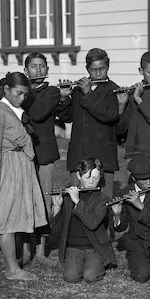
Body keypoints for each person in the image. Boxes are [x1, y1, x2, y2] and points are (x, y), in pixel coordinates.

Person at [0, 72, 47, 281]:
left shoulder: (14, 109)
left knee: (17, 215)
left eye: (25, 95)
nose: (22, 98)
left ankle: (17, 264)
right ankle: (12, 269)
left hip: (21, 167)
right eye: (18, 93)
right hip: (8, 168)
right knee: (7, 219)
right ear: (7, 90)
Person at [20, 52, 72, 266]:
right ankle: (25, 249)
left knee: (44, 200)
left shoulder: (51, 91)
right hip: (21, 153)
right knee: (23, 200)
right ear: (26, 71)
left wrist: (65, 97)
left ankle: (41, 250)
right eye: (33, 66)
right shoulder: (18, 91)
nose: (38, 70)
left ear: (47, 70)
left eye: (42, 66)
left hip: (44, 153)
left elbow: (51, 115)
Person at [58, 48, 119, 200]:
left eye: (102, 69)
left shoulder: (113, 89)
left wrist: (89, 94)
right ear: (87, 69)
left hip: (103, 156)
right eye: (94, 70)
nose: (98, 74)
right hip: (79, 154)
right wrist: (65, 98)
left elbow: (109, 115)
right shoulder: (78, 90)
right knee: (77, 201)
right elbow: (68, 117)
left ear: (108, 67)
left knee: (104, 202)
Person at [51, 157, 117, 283]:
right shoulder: (68, 196)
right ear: (78, 175)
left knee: (90, 277)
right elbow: (55, 231)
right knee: (71, 277)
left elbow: (92, 223)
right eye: (87, 178)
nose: (91, 182)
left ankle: (100, 263)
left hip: (94, 246)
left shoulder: (102, 199)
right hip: (73, 247)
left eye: (96, 178)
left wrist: (77, 201)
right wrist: (56, 207)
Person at [111, 155, 150, 284]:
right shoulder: (125, 193)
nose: (149, 182)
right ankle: (137, 258)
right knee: (141, 276)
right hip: (136, 242)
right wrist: (117, 214)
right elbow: (121, 227)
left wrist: (140, 206)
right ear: (134, 178)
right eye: (144, 180)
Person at [116, 51, 150, 182]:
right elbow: (120, 129)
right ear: (141, 71)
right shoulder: (132, 93)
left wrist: (139, 99)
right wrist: (121, 106)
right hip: (134, 152)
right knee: (132, 194)